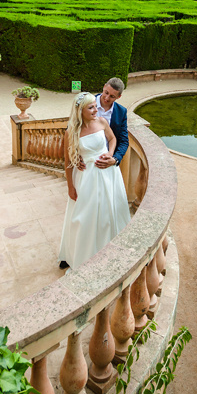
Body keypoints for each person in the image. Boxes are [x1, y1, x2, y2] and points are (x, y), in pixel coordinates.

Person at [58, 92, 131, 270]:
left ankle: (108, 250)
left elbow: (113, 138)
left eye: (95, 106)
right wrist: (70, 187)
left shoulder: (101, 122)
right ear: (80, 111)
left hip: (108, 175)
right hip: (86, 178)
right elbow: (68, 161)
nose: (96, 109)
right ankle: (75, 253)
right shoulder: (71, 131)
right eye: (91, 107)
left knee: (108, 214)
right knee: (83, 218)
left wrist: (110, 153)